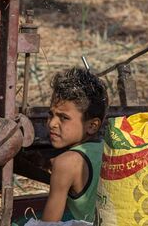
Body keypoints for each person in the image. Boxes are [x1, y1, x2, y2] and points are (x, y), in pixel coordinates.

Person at [17, 68, 107, 224]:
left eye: (63, 118)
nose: (52, 123)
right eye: (51, 114)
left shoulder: (66, 163)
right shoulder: (105, 148)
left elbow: (50, 223)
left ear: (92, 125)